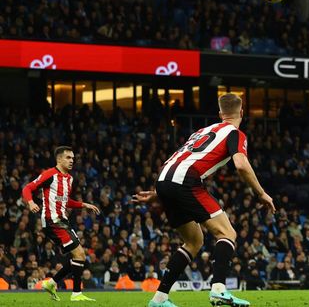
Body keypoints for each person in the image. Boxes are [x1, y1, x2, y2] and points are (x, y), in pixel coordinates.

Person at [133, 93, 276, 307]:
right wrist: (261, 193)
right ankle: (218, 289)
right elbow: (241, 165)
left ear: (220, 114)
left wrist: (158, 192)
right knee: (227, 233)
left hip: (164, 180)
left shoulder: (201, 131)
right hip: (186, 181)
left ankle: (159, 299)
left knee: (193, 241)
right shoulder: (235, 133)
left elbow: (180, 158)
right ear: (242, 113)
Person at [22, 146, 100, 302]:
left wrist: (84, 204)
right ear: (59, 159)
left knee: (78, 257)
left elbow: (65, 201)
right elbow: (27, 188)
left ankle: (51, 283)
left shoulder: (69, 179)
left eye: (73, 158)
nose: (72, 160)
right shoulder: (49, 174)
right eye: (68, 158)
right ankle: (76, 293)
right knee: (79, 254)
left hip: (63, 220)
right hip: (52, 221)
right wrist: (30, 203)